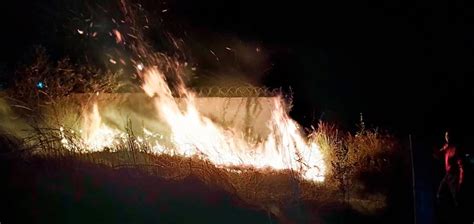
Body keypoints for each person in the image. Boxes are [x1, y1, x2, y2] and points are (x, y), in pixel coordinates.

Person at [436, 131, 464, 207]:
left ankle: (462, 214)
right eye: (446, 135)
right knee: (439, 194)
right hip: (447, 175)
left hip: (454, 176)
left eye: (448, 135)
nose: (447, 137)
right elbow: (438, 153)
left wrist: (461, 180)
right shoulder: (445, 147)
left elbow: (461, 166)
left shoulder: (455, 148)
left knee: (456, 198)